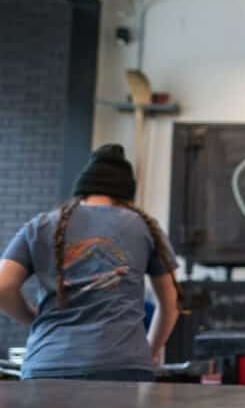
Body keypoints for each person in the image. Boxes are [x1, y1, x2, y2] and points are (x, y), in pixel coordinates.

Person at [0, 144, 180, 381]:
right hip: (122, 366)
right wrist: (151, 350)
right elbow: (171, 303)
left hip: (48, 365)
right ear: (126, 194)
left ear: (82, 190)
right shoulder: (145, 227)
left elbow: (3, 287)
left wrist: (34, 319)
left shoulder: (41, 225)